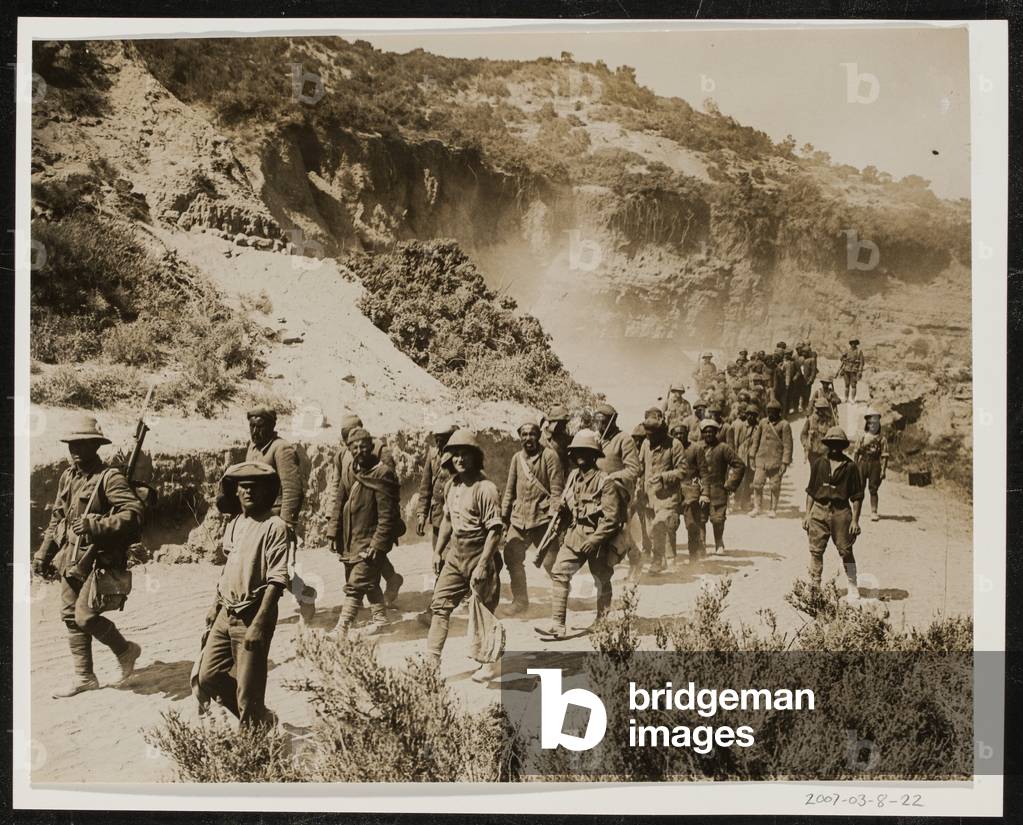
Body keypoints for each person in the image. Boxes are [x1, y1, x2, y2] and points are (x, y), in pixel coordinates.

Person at [32, 415, 144, 698]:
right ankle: (85, 677)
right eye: (72, 445)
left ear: (96, 446)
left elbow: (133, 514)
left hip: (99, 559)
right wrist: (44, 554)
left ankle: (125, 650)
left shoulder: (110, 478)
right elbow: (58, 518)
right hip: (71, 558)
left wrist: (95, 525)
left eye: (82, 445)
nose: (75, 451)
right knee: (70, 616)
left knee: (85, 617)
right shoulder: (68, 477)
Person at [196, 462, 288, 726]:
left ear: (266, 491)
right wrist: (215, 605)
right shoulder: (235, 523)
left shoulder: (275, 526)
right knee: (208, 676)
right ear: (235, 492)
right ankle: (260, 720)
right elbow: (229, 568)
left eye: (254, 487)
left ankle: (253, 746)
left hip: (253, 615)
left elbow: (277, 580)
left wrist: (259, 625)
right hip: (227, 612)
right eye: (243, 487)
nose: (248, 492)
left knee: (249, 691)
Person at [536, 430, 630, 639]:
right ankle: (558, 625)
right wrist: (562, 508)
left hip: (598, 541)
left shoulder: (605, 482)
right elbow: (572, 508)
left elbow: (611, 518)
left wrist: (595, 540)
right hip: (574, 536)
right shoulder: (572, 478)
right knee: (560, 573)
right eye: (577, 451)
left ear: (594, 455)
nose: (580, 456)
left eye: (585, 452)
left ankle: (601, 622)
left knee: (602, 579)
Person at [427, 430, 505, 683]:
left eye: (465, 454)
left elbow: (495, 530)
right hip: (456, 553)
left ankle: (490, 663)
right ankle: (431, 664)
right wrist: (438, 551)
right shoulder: (452, 486)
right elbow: (448, 521)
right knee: (440, 605)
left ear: (475, 457)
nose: (460, 459)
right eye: (456, 455)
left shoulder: (486, 489)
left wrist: (483, 565)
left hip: (480, 551)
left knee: (483, 608)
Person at [245, 406, 314, 623]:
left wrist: (287, 523)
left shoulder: (282, 449)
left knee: (280, 568)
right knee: (258, 566)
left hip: (276, 520)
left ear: (271, 426)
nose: (255, 432)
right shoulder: (253, 448)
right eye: (252, 426)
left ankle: (306, 596)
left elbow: (293, 488)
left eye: (260, 427)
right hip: (256, 520)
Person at [327, 413, 404, 605]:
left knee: (370, 555)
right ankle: (370, 594)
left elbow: (388, 485)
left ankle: (369, 596)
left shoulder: (378, 450)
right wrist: (332, 518)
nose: (357, 449)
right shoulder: (342, 454)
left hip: (373, 514)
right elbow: (337, 486)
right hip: (350, 516)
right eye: (346, 434)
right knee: (351, 555)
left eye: (353, 431)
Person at [500, 421, 564, 614]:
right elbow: (509, 490)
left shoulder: (549, 456)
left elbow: (556, 490)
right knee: (511, 556)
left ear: (538, 436)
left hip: (543, 519)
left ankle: (562, 598)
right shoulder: (516, 459)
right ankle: (520, 601)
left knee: (551, 563)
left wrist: (554, 516)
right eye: (524, 434)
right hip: (519, 519)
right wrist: (504, 517)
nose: (528, 438)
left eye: (532, 434)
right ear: (520, 437)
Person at [803, 427, 863, 599]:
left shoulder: (850, 467)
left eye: (838, 444)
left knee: (846, 550)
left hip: (841, 511)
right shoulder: (819, 464)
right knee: (816, 551)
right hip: (819, 510)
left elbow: (857, 497)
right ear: (827, 444)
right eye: (832, 443)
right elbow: (811, 492)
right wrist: (807, 514)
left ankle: (852, 584)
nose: (835, 447)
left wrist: (855, 521)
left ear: (843, 446)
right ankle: (815, 586)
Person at [638, 408, 687, 574]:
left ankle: (659, 560)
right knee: (652, 530)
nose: (649, 437)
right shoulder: (645, 444)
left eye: (653, 434)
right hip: (648, 496)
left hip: (668, 495)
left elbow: (682, 470)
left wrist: (663, 477)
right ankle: (667, 557)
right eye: (647, 434)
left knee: (661, 526)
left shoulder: (675, 445)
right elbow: (641, 466)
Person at [699, 419, 744, 554]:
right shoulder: (698, 448)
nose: (708, 435)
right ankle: (702, 545)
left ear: (716, 432)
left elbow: (739, 465)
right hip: (701, 489)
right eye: (706, 432)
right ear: (702, 433)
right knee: (700, 518)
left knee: (718, 519)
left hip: (718, 489)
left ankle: (719, 543)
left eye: (711, 432)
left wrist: (730, 484)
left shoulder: (723, 448)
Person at [748, 399, 793, 518]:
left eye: (773, 411)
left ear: (779, 412)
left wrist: (785, 462)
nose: (771, 414)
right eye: (769, 411)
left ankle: (773, 509)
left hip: (776, 461)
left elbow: (788, 445)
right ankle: (757, 507)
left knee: (775, 486)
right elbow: (756, 441)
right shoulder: (763, 423)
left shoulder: (784, 425)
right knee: (757, 484)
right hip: (761, 460)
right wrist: (752, 455)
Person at [592, 402, 642, 498]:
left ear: (613, 421)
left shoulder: (624, 439)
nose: (599, 426)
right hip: (598, 493)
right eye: (597, 422)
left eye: (603, 422)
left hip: (618, 494)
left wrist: (612, 476)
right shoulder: (595, 438)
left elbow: (634, 470)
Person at [853, 409, 890, 522]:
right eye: (871, 424)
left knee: (873, 489)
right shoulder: (862, 437)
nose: (873, 426)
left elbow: (884, 456)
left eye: (875, 424)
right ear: (867, 424)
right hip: (863, 463)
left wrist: (883, 470)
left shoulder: (882, 439)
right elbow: (856, 452)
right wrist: (854, 466)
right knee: (860, 488)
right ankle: (856, 511)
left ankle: (874, 511)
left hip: (875, 464)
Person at [541, 404, 572, 476]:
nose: (565, 426)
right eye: (563, 423)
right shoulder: (540, 438)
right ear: (555, 423)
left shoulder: (564, 439)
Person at [801, 399, 834, 466]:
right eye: (820, 408)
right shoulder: (810, 419)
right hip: (813, 452)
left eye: (824, 408)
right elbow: (803, 434)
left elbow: (834, 434)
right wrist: (806, 444)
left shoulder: (829, 420)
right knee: (814, 472)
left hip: (826, 452)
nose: (823, 410)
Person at [798, 342, 818, 413]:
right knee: (800, 393)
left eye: (805, 352)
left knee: (807, 393)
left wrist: (811, 380)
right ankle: (800, 405)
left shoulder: (812, 360)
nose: (804, 354)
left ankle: (806, 405)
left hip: (807, 380)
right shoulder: (800, 359)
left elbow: (813, 371)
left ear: (809, 352)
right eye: (803, 352)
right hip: (800, 379)